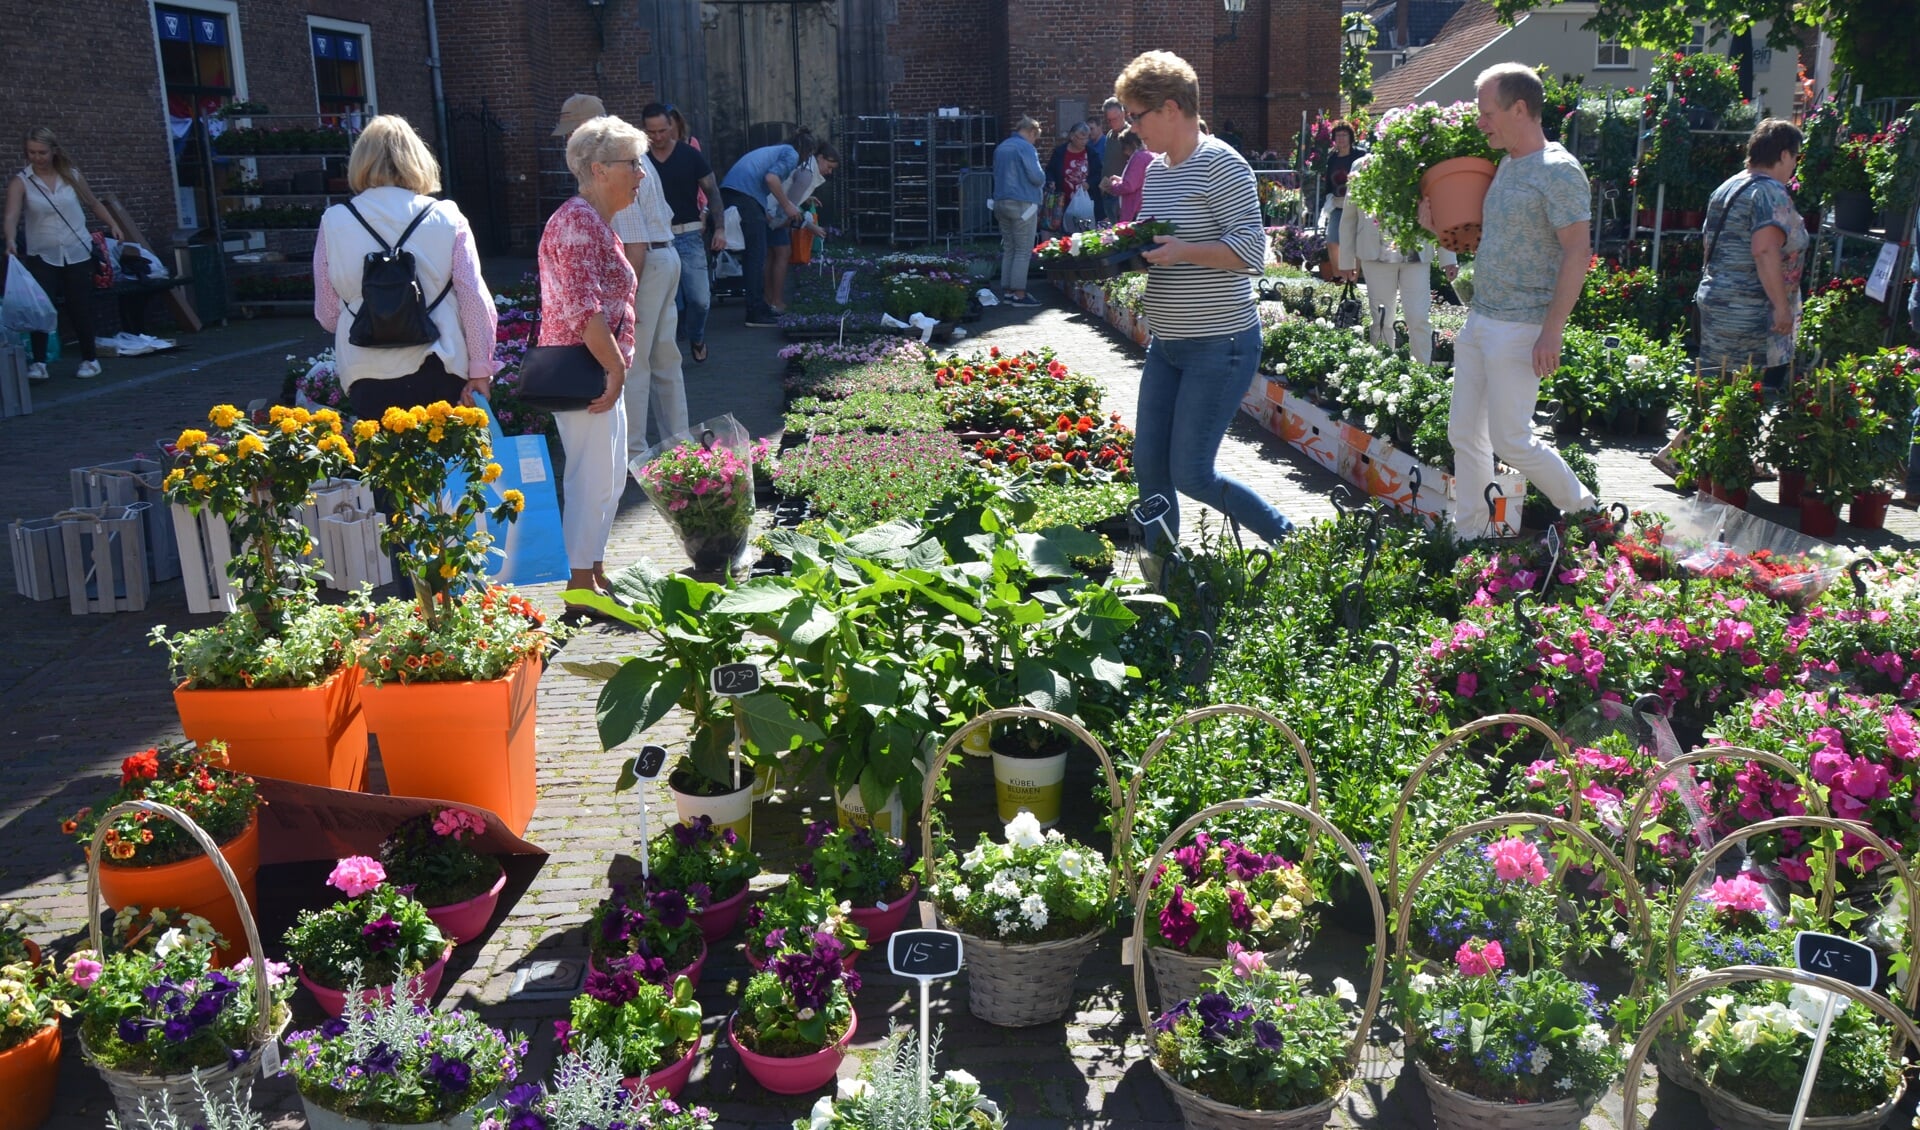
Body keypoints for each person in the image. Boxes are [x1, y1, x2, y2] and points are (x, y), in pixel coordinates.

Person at [1116, 49, 1294, 566]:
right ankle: (1164, 573)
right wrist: (1113, 255)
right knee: (1149, 464)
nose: (1132, 128)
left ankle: (1289, 539)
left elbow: (1252, 253)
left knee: (1192, 472)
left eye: (1137, 116)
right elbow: (1147, 240)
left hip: (1220, 345)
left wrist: (1184, 252)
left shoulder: (1221, 164)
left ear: (1170, 109)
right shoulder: (1156, 169)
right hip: (1168, 344)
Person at [1422, 63, 1599, 537]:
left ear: (1519, 109)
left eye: (1487, 112)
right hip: (1482, 319)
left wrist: (1552, 329)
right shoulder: (1507, 164)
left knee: (1511, 439)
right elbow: (1495, 241)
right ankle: (1472, 534)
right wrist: (1434, 224)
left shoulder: (1558, 171)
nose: (1480, 122)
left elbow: (1577, 251)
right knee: (1464, 434)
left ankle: (1586, 511)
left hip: (1522, 326)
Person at [313, 115, 497, 422]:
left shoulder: (334, 221)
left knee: (385, 466)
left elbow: (328, 315)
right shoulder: (447, 216)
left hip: (364, 368)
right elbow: (473, 298)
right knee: (446, 464)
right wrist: (480, 367)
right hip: (439, 362)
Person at [1652, 119, 1807, 478]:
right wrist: (1782, 306)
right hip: (1748, 308)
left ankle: (1714, 455)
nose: (1795, 165)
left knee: (1720, 381)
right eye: (1795, 157)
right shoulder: (1769, 193)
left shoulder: (1729, 186)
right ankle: (1686, 455)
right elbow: (1765, 250)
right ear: (1783, 154)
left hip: (1719, 300)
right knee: (1737, 386)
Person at [539, 113, 645, 605]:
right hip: (587, 372)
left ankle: (595, 572)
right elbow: (586, 311)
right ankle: (581, 586)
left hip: (598, 370)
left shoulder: (594, 221)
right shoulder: (579, 224)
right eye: (633, 164)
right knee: (589, 476)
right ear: (599, 169)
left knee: (607, 475)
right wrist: (617, 369)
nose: (641, 174)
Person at [3, 127, 123, 381]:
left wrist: (112, 223)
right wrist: (11, 239)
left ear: (54, 151)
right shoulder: (22, 181)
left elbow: (92, 202)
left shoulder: (72, 176)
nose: (37, 157)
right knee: (40, 308)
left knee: (79, 306)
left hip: (76, 249)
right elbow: (12, 214)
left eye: (42, 152)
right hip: (42, 252)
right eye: (32, 152)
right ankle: (39, 362)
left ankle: (90, 359)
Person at [604, 103, 687, 462]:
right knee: (666, 358)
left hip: (649, 261)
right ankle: (678, 442)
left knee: (635, 362)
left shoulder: (623, 164)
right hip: (666, 254)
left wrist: (627, 296)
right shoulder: (640, 157)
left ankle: (634, 450)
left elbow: (634, 241)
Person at [1337, 154, 1457, 365]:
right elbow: (1349, 217)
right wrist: (1347, 260)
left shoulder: (1423, 163)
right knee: (1381, 320)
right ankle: (1382, 372)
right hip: (1376, 256)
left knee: (1418, 318)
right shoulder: (1362, 166)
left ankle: (1422, 373)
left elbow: (1440, 208)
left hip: (1417, 255)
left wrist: (1448, 256)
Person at [719, 131, 813, 327]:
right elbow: (771, 179)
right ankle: (755, 312)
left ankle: (759, 306)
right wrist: (787, 205)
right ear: (806, 152)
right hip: (745, 196)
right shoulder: (791, 153)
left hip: (734, 192)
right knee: (756, 255)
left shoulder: (775, 150)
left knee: (754, 255)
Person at [763, 140, 838, 315]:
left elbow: (790, 195)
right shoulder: (807, 175)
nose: (829, 171)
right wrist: (810, 226)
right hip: (774, 216)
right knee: (782, 254)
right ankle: (776, 302)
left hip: (768, 211)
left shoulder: (806, 169)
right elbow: (788, 207)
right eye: (829, 166)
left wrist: (807, 200)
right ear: (820, 157)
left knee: (771, 256)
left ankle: (768, 299)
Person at [992, 117, 1045, 306]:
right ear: (1032, 132)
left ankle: (1007, 290)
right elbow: (1036, 177)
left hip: (1000, 201)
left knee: (1009, 248)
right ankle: (1019, 294)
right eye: (1035, 138)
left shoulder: (1002, 147)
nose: (1034, 142)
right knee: (1023, 250)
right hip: (1023, 203)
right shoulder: (1025, 148)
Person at [1320, 121, 1364, 270]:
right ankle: (1338, 277)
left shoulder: (1361, 155)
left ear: (1351, 137)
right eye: (1338, 135)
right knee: (1332, 241)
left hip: (1357, 206)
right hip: (1338, 206)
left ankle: (1353, 278)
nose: (1341, 138)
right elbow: (1328, 183)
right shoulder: (1332, 158)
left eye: (1344, 135)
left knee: (1356, 244)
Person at [1046, 122, 1104, 229]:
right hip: (1062, 202)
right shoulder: (1059, 153)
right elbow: (1050, 171)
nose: (1084, 142)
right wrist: (1051, 181)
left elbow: (1098, 174)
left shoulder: (1092, 154)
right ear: (1072, 136)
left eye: (1086, 139)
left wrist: (1089, 183)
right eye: (1081, 138)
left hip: (1085, 202)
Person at [1101, 129, 1151, 223]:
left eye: (1124, 147)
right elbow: (1138, 182)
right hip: (1144, 207)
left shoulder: (1139, 158)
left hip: (1135, 209)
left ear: (1132, 144)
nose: (1124, 151)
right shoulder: (1148, 155)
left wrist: (1112, 186)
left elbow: (1128, 186)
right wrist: (1120, 180)